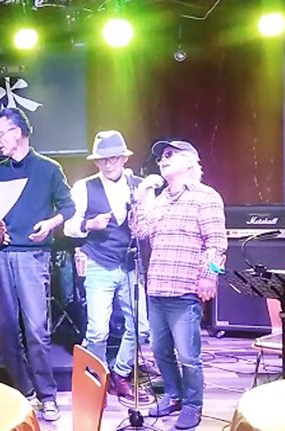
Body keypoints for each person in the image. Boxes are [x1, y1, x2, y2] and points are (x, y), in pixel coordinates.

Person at [0, 107, 75, 422]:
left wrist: (50, 224)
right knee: (5, 333)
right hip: (2, 256)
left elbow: (69, 207)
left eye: (0, 133)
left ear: (18, 132)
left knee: (36, 329)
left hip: (33, 257)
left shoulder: (48, 169)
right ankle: (25, 392)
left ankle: (47, 395)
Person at [132, 140, 227, 430]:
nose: (163, 160)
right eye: (161, 157)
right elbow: (140, 231)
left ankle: (193, 404)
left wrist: (209, 275)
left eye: (170, 155)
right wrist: (142, 197)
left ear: (189, 161)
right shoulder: (160, 199)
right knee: (160, 350)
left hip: (184, 290)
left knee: (188, 355)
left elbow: (216, 242)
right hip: (157, 288)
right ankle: (173, 395)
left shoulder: (205, 196)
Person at [63, 130, 151, 403]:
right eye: (102, 160)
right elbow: (68, 227)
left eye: (113, 158)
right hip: (99, 264)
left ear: (124, 159)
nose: (108, 164)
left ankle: (120, 374)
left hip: (130, 265)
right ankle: (97, 378)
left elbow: (150, 223)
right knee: (98, 331)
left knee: (141, 327)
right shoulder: (84, 187)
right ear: (96, 162)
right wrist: (89, 224)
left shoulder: (140, 186)